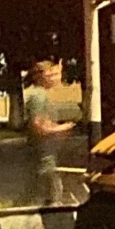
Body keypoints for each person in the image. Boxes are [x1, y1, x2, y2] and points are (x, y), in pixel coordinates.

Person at [25, 60, 75, 205]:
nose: (55, 78)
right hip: (43, 153)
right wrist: (62, 128)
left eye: (57, 74)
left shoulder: (42, 95)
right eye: (51, 74)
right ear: (39, 76)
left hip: (47, 153)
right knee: (49, 193)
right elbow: (38, 126)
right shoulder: (38, 96)